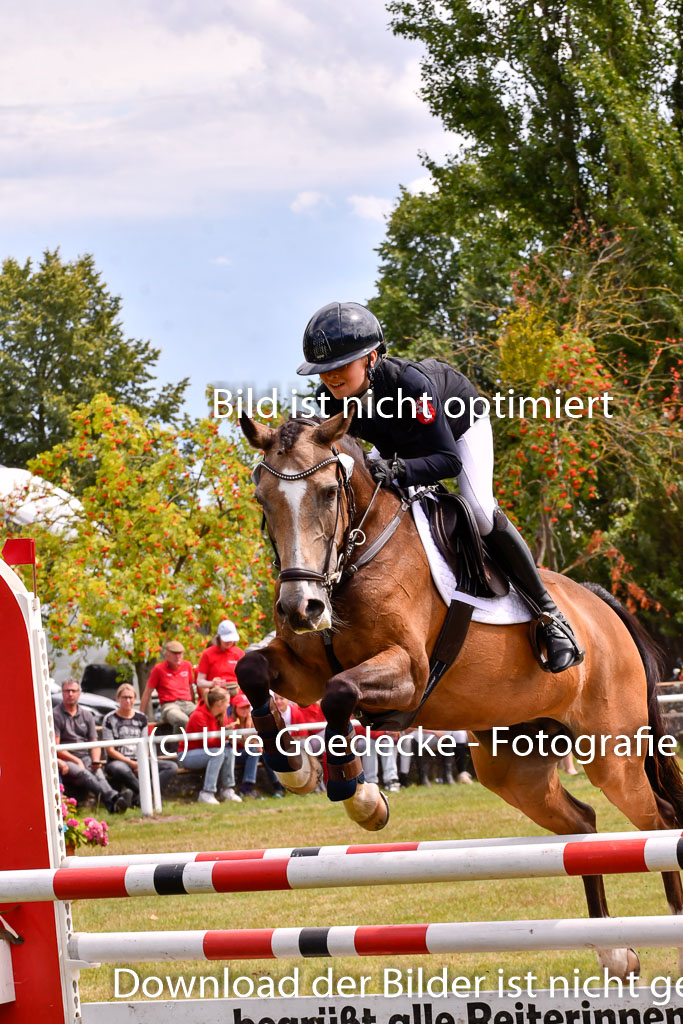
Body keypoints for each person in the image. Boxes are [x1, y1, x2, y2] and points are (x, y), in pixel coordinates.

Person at [296, 301, 583, 674]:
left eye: (341, 366)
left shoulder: (410, 386)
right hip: (398, 443)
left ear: (370, 358)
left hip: (458, 431)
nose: (331, 378)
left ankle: (551, 615)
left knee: (479, 510)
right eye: (324, 371)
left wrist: (398, 468)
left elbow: (448, 461)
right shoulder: (327, 400)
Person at [53, 678, 132, 814]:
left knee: (98, 774)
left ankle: (113, 805)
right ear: (62, 693)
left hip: (86, 757)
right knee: (85, 774)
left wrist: (96, 760)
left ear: (79, 693)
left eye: (73, 691)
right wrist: (76, 761)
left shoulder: (87, 714)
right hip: (65, 758)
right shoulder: (55, 715)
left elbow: (94, 743)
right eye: (67, 691)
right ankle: (114, 797)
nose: (70, 694)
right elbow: (56, 746)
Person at [102, 683, 177, 804]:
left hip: (140, 759)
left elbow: (145, 743)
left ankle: (138, 799)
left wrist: (141, 762)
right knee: (121, 769)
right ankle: (148, 797)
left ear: (135, 699)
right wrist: (132, 763)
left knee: (171, 767)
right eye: (124, 697)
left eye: (130, 697)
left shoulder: (141, 718)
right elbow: (110, 750)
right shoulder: (109, 719)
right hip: (118, 761)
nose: (127, 701)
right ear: (118, 699)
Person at [181, 687, 242, 804]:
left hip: (207, 751)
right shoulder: (198, 716)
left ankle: (227, 789)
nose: (229, 705)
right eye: (228, 702)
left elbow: (218, 741)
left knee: (229, 751)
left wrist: (227, 732)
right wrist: (225, 734)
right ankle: (207, 792)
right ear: (219, 703)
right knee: (217, 753)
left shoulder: (221, 715)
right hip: (188, 754)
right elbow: (209, 742)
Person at [140, 640, 195, 729]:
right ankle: (179, 743)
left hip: (188, 703)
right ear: (166, 654)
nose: (178, 656)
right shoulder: (158, 669)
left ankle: (203, 742)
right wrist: (141, 715)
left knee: (202, 718)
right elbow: (147, 692)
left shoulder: (187, 665)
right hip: (170, 705)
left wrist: (194, 704)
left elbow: (190, 687)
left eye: (180, 653)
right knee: (181, 720)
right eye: (174, 653)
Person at [196, 620, 245, 698]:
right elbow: (200, 682)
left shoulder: (240, 653)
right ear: (219, 638)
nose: (229, 642)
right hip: (217, 696)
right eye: (226, 639)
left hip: (237, 696)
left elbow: (246, 678)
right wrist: (212, 683)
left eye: (231, 639)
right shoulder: (208, 653)